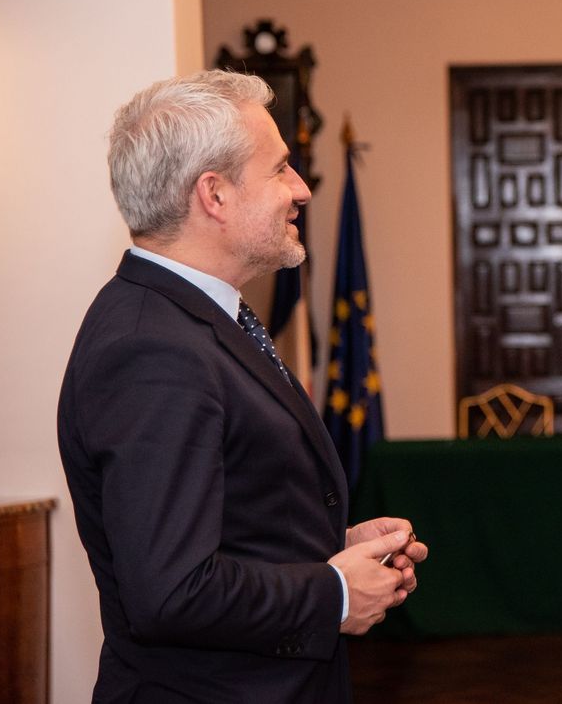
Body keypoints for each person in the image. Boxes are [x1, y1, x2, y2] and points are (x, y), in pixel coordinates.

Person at [58, 70, 427, 702]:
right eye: (280, 168)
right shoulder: (153, 348)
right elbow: (171, 591)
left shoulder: (193, 317)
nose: (301, 189)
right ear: (215, 194)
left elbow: (224, 519)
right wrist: (334, 592)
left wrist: (327, 548)